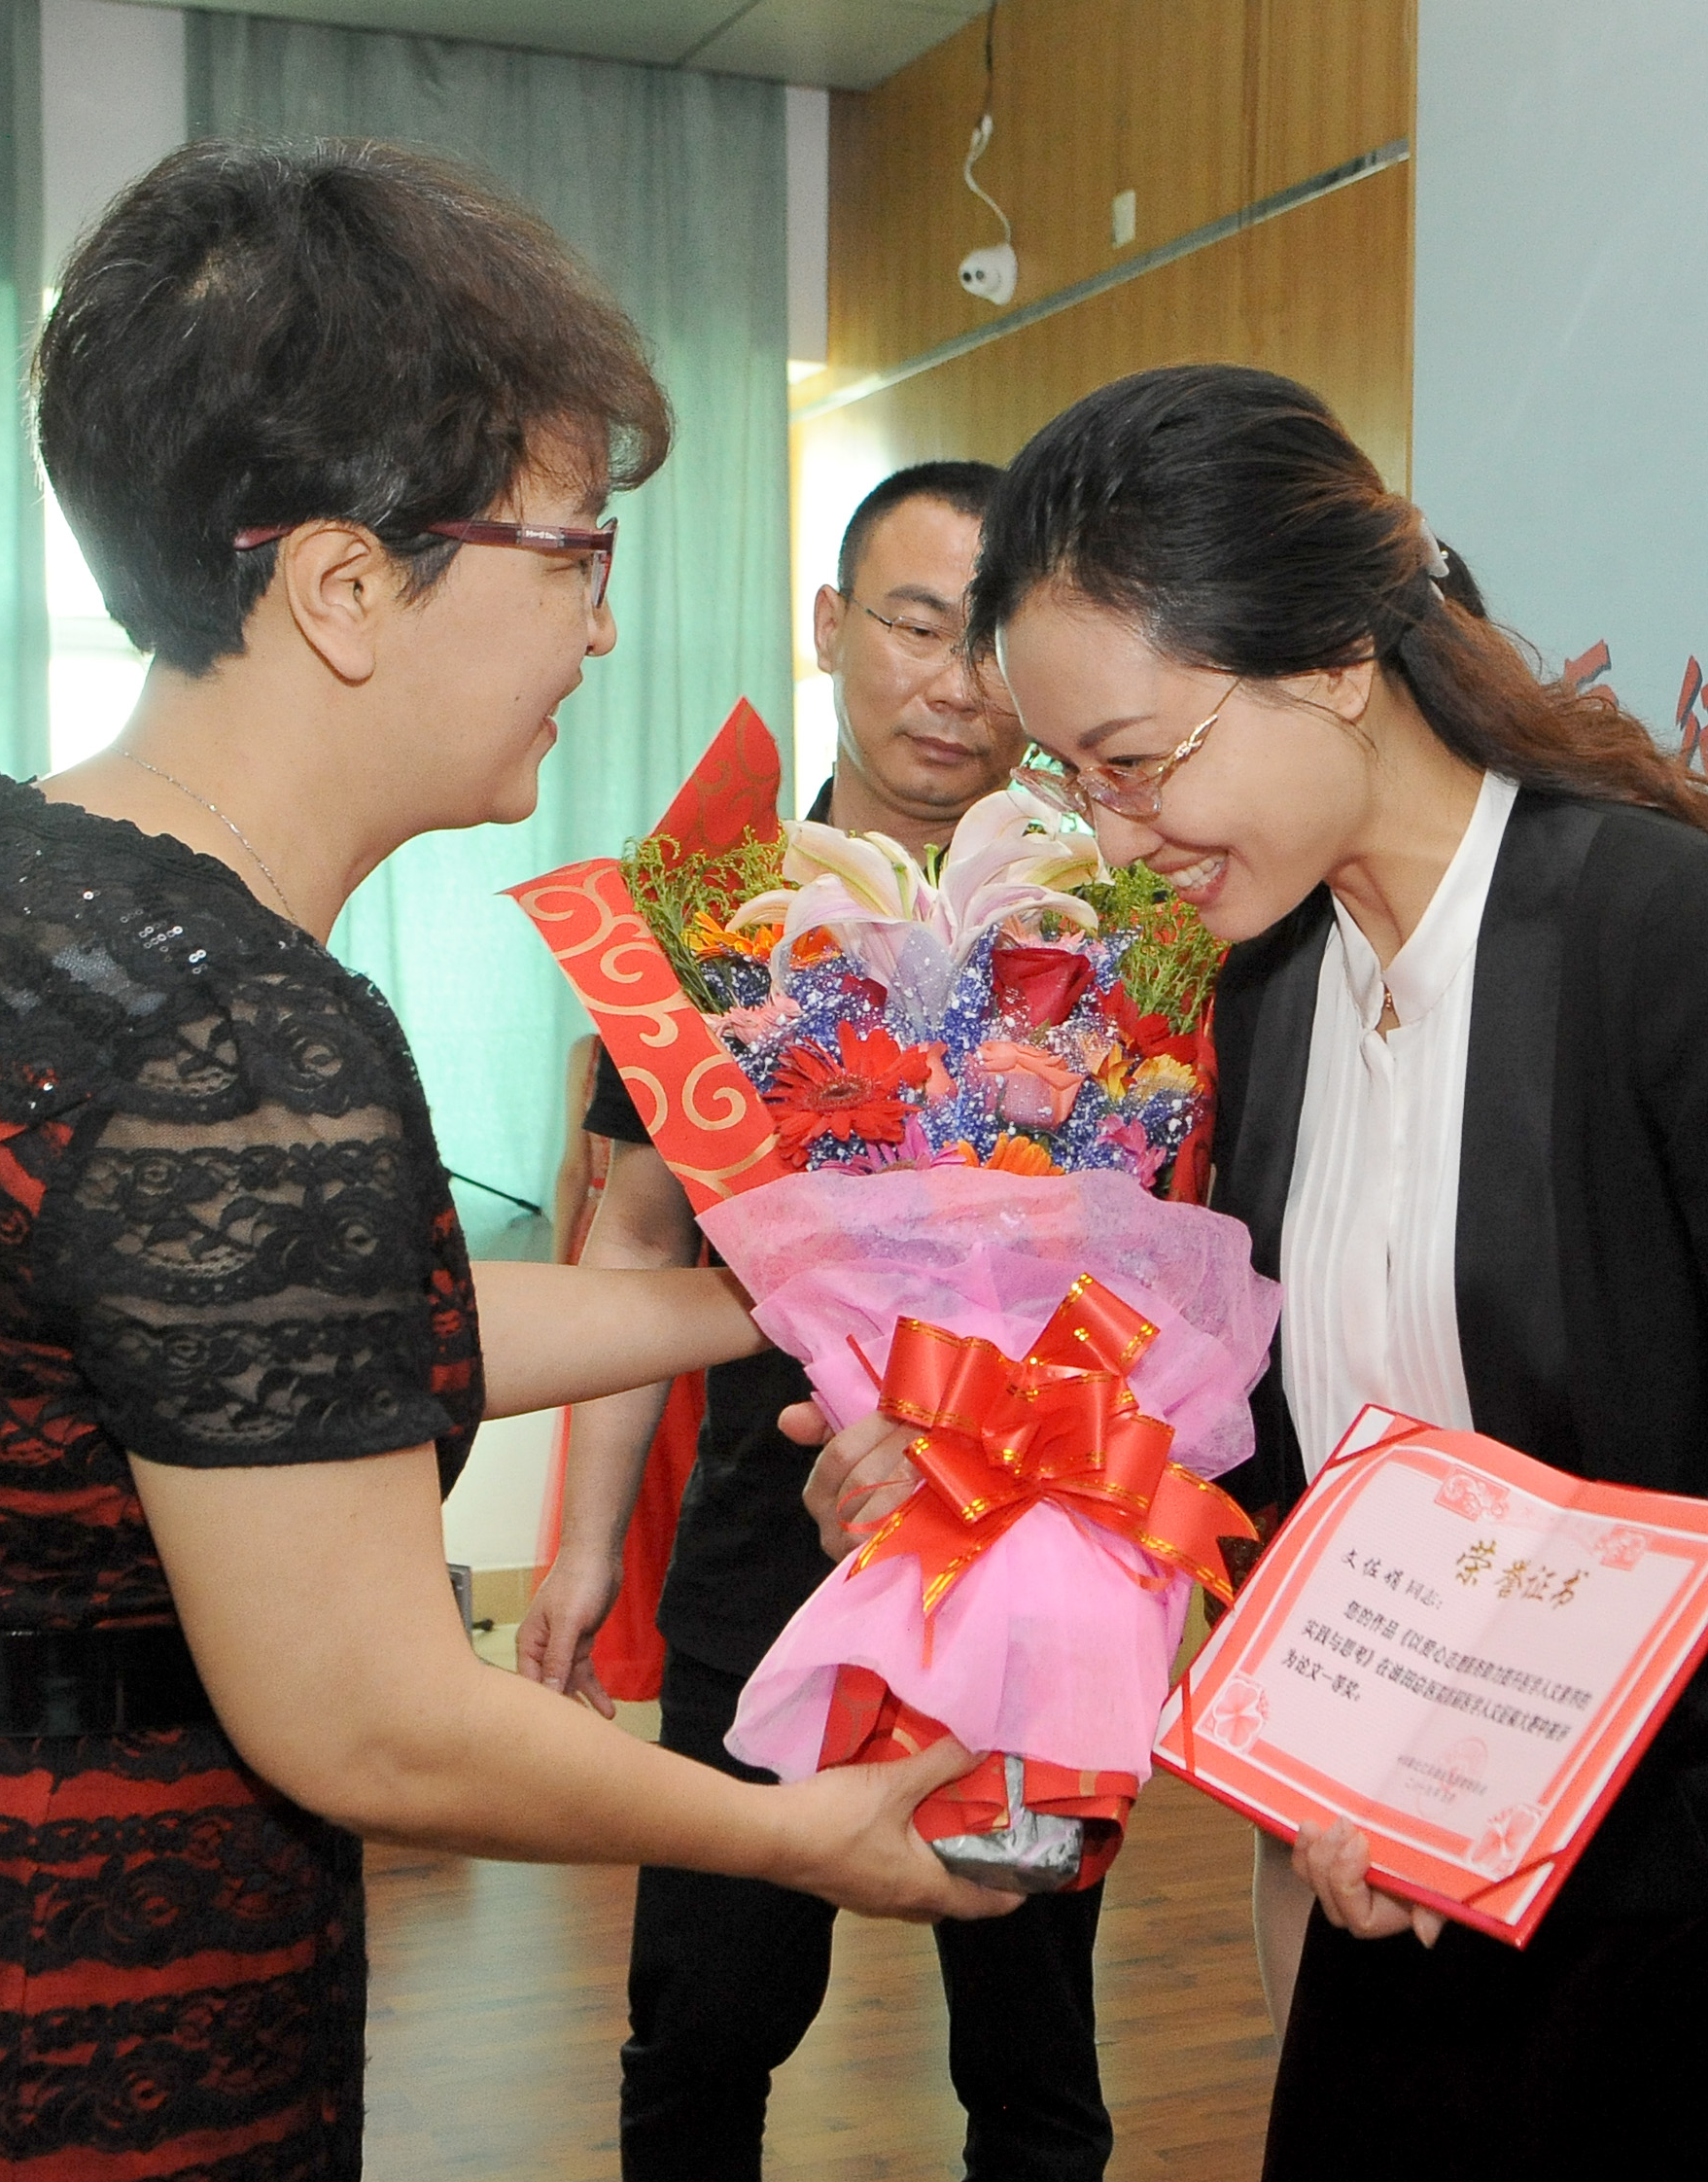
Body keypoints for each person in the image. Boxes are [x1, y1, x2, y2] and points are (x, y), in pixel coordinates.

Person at [0, 141, 1004, 2182]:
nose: (602, 630)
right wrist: (795, 1835)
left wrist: (781, 1281)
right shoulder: (234, 1028)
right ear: (348, 584)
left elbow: (315, 1348)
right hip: (51, 2042)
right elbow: (364, 1713)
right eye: (573, 551)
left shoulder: (18, 883)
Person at [808, 365, 1708, 2181]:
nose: (1111, 836)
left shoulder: (1667, 930)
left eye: (1136, 762)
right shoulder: (1269, 977)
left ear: (1334, 658)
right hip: (1390, 1839)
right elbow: (1293, 1414)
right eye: (1075, 779)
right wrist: (1001, 1464)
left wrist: (1517, 1752)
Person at [515, 462, 1118, 2182]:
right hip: (755, 1562)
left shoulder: (1102, 933)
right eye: (916, 625)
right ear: (829, 625)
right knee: (702, 2025)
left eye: (992, 643)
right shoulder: (713, 925)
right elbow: (634, 1243)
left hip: (1018, 1557)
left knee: (1031, 2049)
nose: (954, 682)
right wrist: (576, 1553)